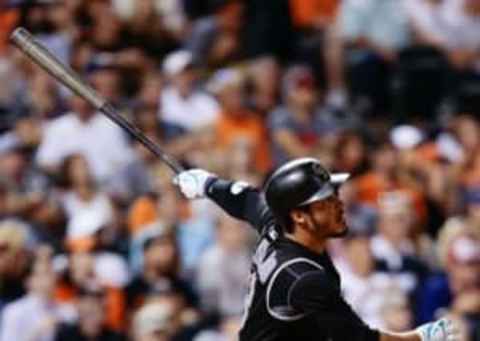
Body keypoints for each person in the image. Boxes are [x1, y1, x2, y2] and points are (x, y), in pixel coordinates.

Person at [174, 157, 458, 340]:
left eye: (334, 195)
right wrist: (419, 338)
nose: (339, 205)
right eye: (325, 203)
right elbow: (360, 340)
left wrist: (207, 184)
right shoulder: (304, 278)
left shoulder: (276, 222)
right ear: (299, 216)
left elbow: (245, 199)